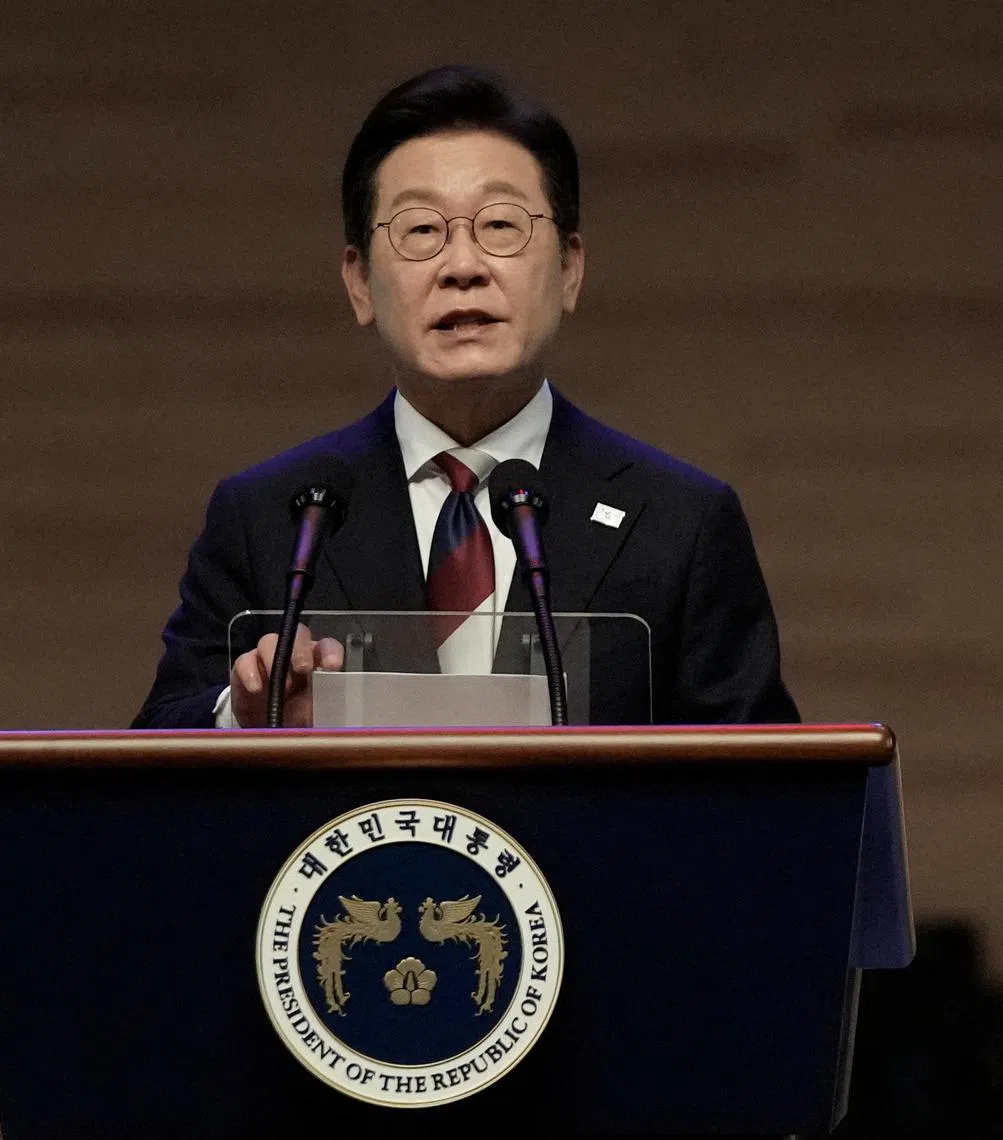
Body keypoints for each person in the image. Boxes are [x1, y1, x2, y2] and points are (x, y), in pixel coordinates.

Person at [132, 65, 798, 730]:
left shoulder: (680, 523)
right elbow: (153, 748)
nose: (462, 267)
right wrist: (246, 713)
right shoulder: (270, 519)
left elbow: (765, 779)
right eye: (421, 230)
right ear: (359, 283)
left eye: (501, 225)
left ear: (570, 269)